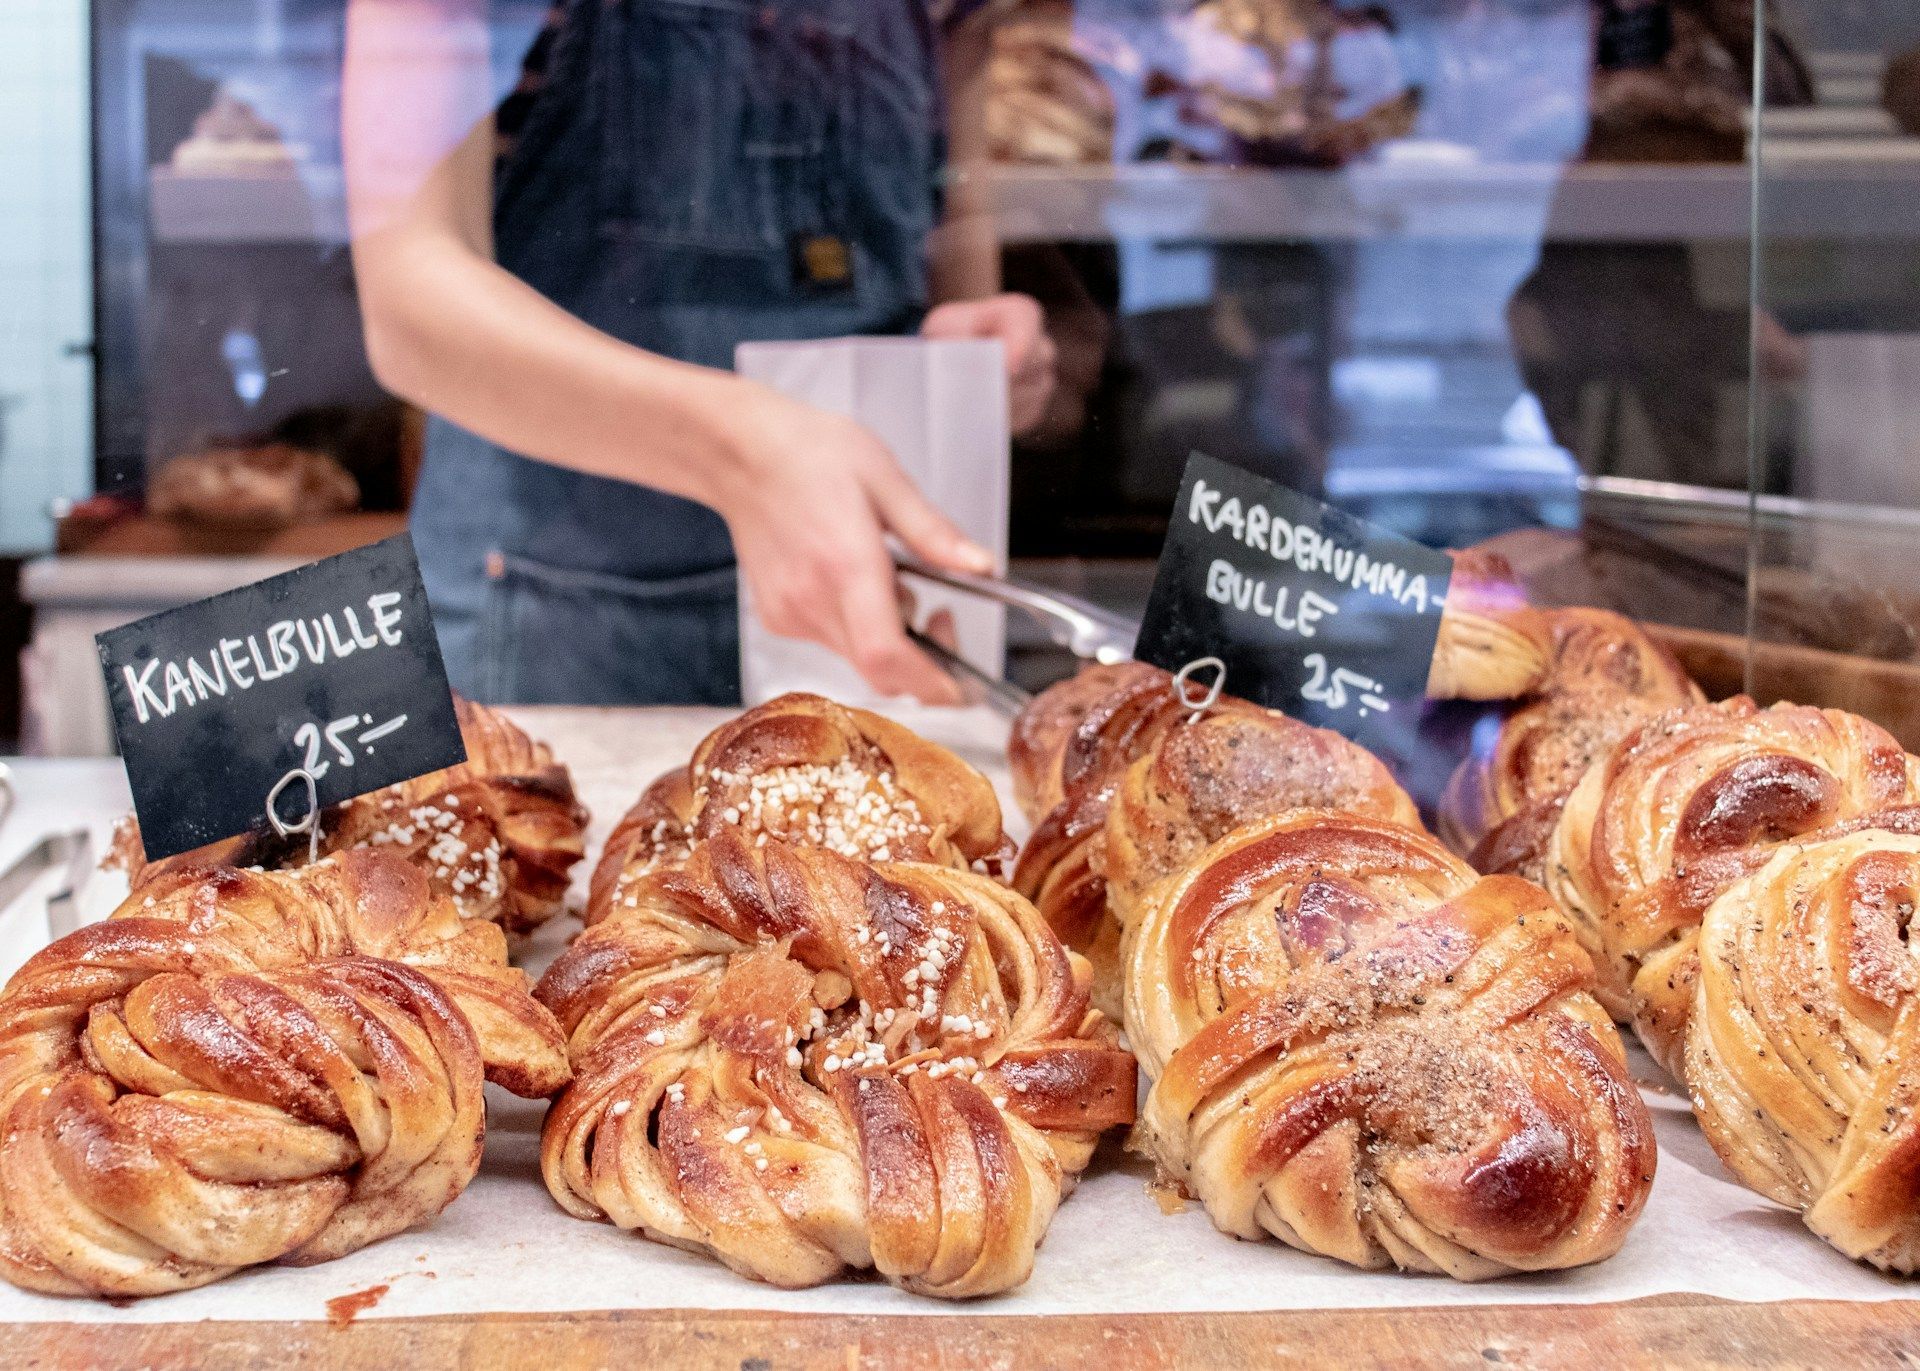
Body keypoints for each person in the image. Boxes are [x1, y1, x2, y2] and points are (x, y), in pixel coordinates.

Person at [342, 0, 1058, 705]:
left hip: (865, 601)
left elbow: (954, 220)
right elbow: (410, 308)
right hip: (549, 609)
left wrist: (973, 362)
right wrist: (739, 453)